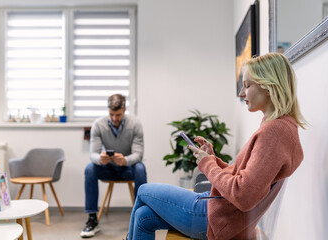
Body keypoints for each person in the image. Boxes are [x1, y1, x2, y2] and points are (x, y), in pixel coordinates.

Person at [126, 52, 306, 240]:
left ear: (268, 87)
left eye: (247, 85)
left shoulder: (274, 133)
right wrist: (213, 160)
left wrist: (207, 164)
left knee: (143, 190)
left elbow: (243, 194)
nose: (241, 93)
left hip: (218, 219)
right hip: (224, 214)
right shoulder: (280, 127)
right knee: (143, 217)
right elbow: (246, 179)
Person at [81, 94, 146, 238]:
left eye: (118, 114)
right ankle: (92, 219)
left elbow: (138, 154)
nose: (115, 118)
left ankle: (140, 217)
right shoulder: (98, 125)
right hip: (108, 168)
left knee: (140, 168)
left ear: (124, 110)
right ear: (108, 110)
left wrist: (126, 160)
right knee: (90, 168)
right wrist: (100, 159)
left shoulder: (135, 124)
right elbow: (93, 154)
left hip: (128, 168)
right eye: (111, 114)